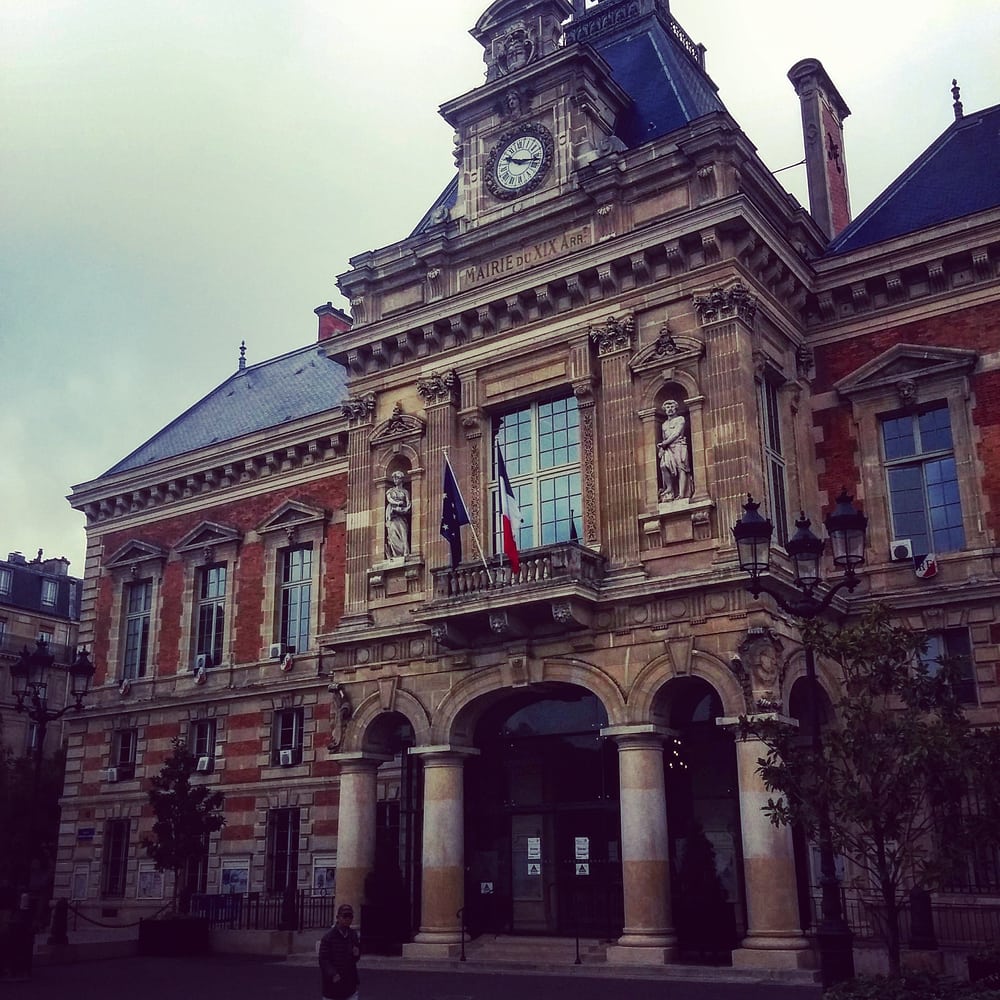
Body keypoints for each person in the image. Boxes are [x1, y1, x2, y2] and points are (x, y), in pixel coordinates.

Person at [319, 904, 361, 1000]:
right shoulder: (328, 938)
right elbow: (323, 960)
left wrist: (357, 954)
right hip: (333, 985)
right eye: (345, 916)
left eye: (350, 916)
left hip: (350, 984)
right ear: (338, 917)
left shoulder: (353, 935)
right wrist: (333, 973)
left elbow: (355, 958)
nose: (347, 919)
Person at [657, 399, 692, 502]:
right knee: (663, 465)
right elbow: (664, 437)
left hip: (679, 446)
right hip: (668, 448)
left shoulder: (680, 419)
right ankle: (669, 488)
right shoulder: (664, 424)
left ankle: (682, 494)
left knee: (681, 468)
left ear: (676, 408)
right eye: (667, 407)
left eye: (672, 407)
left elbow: (676, 433)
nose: (670, 409)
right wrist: (662, 448)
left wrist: (664, 443)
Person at [384, 471, 411, 559]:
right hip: (392, 516)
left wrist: (404, 509)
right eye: (394, 478)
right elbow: (390, 499)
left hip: (401, 516)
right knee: (393, 535)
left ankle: (404, 553)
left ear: (401, 479)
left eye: (397, 478)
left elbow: (408, 504)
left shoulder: (405, 492)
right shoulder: (390, 491)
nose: (395, 480)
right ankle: (396, 554)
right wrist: (398, 503)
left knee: (403, 534)